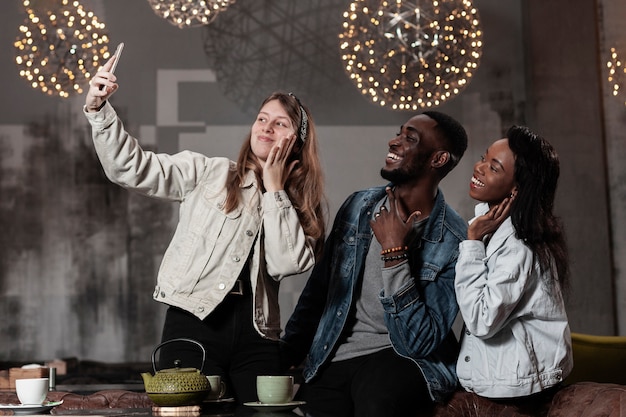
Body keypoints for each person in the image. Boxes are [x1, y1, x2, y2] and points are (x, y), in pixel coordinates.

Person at [83, 56, 326, 403]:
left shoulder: (300, 206)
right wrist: (99, 109)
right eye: (261, 119)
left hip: (258, 335)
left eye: (280, 123)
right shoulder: (208, 173)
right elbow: (130, 168)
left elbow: (287, 263)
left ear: (298, 141)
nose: (266, 128)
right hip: (192, 323)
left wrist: (275, 190)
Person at [281, 111, 469, 417]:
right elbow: (320, 290)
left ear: (438, 159)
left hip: (402, 357)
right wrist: (287, 351)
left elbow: (420, 342)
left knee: (378, 400)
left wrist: (394, 253)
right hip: (336, 353)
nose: (394, 141)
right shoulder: (359, 206)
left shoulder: (455, 241)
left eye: (410, 138)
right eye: (399, 133)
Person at [454, 126, 572, 404]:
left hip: (517, 389)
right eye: (484, 158)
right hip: (498, 378)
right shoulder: (491, 224)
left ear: (517, 188)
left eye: (493, 167)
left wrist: (472, 242)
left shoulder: (519, 243)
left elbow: (482, 321)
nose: (479, 168)